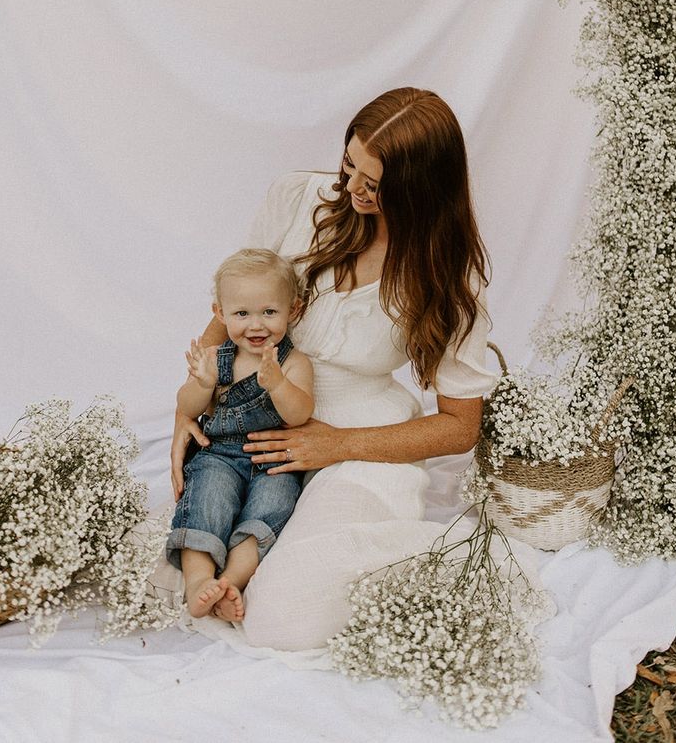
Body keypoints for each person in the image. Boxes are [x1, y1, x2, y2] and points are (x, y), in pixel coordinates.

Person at [170, 86, 496, 653]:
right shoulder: (299, 199)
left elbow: (459, 426)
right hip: (255, 421)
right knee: (178, 552)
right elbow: (232, 305)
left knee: (285, 616)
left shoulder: (447, 275)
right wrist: (188, 410)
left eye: (373, 184)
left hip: (363, 442)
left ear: (419, 189)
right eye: (350, 165)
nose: (351, 188)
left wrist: (337, 445)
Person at [167, 248, 314, 621]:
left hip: (272, 459)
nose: (256, 325)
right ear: (220, 313)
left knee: (272, 507)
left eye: (269, 312)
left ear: (293, 310)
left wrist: (279, 385)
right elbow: (188, 406)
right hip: (219, 453)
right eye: (242, 313)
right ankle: (199, 580)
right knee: (207, 500)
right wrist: (202, 384)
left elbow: (299, 415)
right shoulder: (216, 358)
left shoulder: (293, 363)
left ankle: (231, 580)